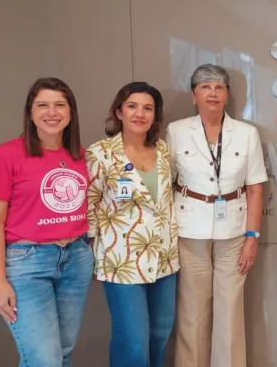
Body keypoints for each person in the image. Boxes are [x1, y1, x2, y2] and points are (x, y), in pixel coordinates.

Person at [0, 77, 93, 366]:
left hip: (77, 258)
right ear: (30, 112)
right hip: (27, 263)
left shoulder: (81, 156)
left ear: (70, 112)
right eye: (42, 105)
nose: (51, 112)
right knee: (45, 359)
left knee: (62, 352)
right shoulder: (6, 155)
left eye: (60, 105)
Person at [167, 64, 268, 367]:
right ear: (193, 95)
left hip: (234, 232)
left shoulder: (247, 133)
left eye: (219, 87)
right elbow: (165, 181)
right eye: (205, 87)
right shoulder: (176, 131)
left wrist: (252, 237)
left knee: (230, 310)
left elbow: (255, 188)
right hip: (188, 230)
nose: (212, 93)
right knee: (192, 312)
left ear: (227, 95)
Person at [85, 82, 179, 366]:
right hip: (121, 261)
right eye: (132, 106)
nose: (140, 114)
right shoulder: (100, 153)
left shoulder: (163, 151)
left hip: (164, 259)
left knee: (159, 336)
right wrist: (94, 254)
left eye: (148, 108)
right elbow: (89, 204)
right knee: (134, 344)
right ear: (119, 112)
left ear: (155, 115)